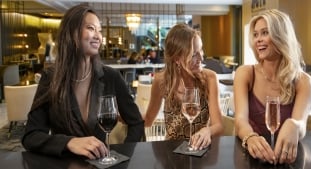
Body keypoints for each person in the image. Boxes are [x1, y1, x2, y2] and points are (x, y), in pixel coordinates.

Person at [21, 4, 144, 160]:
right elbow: (31, 136)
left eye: (99, 31)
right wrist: (69, 142)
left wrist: (122, 156)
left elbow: (137, 123)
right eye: (91, 28)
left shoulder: (111, 77)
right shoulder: (51, 78)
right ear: (72, 33)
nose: (98, 36)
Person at [234, 9, 311, 165]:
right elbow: (240, 120)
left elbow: (301, 125)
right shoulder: (245, 73)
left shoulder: (303, 81)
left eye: (265, 33)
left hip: (285, 158)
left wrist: (294, 125)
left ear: (281, 36)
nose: (258, 40)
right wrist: (251, 137)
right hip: (250, 157)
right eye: (255, 34)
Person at [144, 24, 224, 150]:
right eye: (194, 55)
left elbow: (218, 126)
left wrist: (208, 130)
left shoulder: (209, 78)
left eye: (201, 51)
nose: (201, 58)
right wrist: (123, 117)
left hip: (200, 150)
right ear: (177, 59)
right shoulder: (161, 81)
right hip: (171, 152)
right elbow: (148, 119)